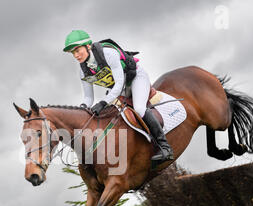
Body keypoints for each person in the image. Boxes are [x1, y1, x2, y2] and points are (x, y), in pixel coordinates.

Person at [63, 30, 173, 163]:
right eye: (72, 53)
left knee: (139, 109)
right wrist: (82, 109)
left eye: (77, 50)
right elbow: (88, 98)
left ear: (88, 46)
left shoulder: (108, 53)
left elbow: (119, 84)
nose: (76, 55)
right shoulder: (82, 70)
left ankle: (165, 147)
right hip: (118, 90)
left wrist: (103, 102)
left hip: (135, 79)